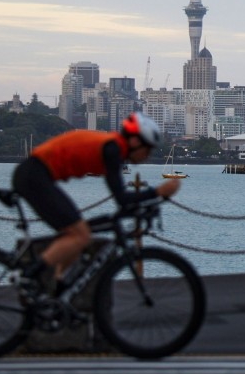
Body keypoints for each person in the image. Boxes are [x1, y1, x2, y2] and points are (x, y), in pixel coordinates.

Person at [12, 112, 180, 286]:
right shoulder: (112, 149)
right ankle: (28, 275)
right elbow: (122, 199)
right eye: (148, 149)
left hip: (33, 174)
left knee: (76, 236)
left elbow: (122, 201)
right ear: (136, 142)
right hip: (34, 176)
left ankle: (57, 290)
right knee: (80, 235)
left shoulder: (113, 148)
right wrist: (158, 192)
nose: (148, 155)